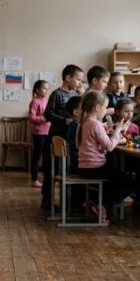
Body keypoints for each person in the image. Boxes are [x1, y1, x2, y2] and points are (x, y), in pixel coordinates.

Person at [77, 90, 135, 223]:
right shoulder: (95, 124)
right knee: (131, 183)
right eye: (105, 108)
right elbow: (109, 147)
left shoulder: (85, 122)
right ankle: (102, 206)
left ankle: (95, 204)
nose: (106, 111)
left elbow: (91, 143)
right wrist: (118, 131)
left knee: (115, 181)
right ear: (97, 108)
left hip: (84, 168)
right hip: (95, 168)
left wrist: (108, 130)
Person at [40, 64, 84, 210]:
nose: (80, 83)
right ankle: (47, 201)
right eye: (78, 79)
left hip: (68, 138)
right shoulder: (57, 94)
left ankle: (67, 203)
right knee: (50, 170)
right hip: (55, 137)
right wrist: (65, 120)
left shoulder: (75, 95)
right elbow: (48, 114)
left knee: (65, 170)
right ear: (68, 78)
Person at [28, 79, 50, 188]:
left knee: (47, 156)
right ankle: (34, 180)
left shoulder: (47, 101)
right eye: (44, 88)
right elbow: (31, 118)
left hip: (47, 132)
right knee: (37, 156)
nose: (46, 90)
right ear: (37, 90)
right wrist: (45, 118)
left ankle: (47, 179)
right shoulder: (35, 101)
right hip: (38, 133)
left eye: (47, 88)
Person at [65, 96, 83, 175]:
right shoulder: (77, 127)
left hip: (75, 163)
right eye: (84, 108)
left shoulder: (74, 125)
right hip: (78, 164)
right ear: (76, 112)